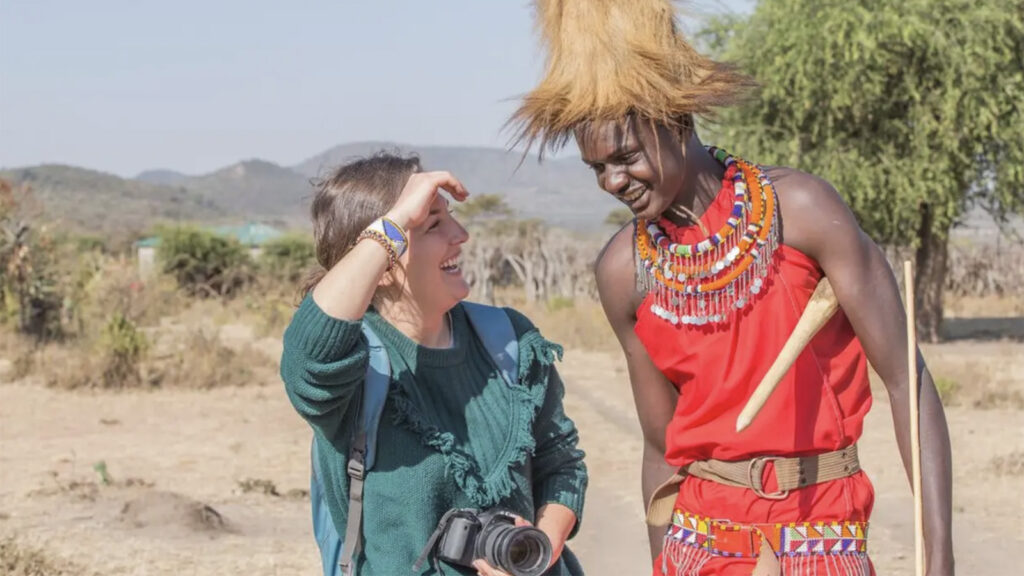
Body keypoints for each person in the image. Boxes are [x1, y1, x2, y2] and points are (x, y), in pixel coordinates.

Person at [507, 1, 954, 575]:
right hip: (700, 542)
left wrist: (938, 559)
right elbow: (658, 446)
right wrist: (661, 563)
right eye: (597, 168)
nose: (613, 182)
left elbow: (905, 382)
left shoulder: (804, 210)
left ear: (677, 122)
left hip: (822, 527)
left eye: (625, 157)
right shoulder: (623, 269)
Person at [279, 152, 588, 576]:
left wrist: (535, 549)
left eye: (452, 218)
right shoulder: (353, 370)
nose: (460, 235)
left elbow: (561, 462)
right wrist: (396, 220)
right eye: (433, 225)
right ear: (383, 264)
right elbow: (309, 353)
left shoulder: (509, 338)